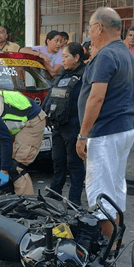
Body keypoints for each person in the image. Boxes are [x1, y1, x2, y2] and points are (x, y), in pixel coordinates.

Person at [75, 7, 134, 247]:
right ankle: (117, 239)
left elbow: (96, 98)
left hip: (106, 132)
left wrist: (83, 135)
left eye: (90, 27)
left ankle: (107, 246)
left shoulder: (106, 55)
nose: (89, 33)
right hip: (124, 129)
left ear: (99, 27)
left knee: (100, 190)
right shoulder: (125, 52)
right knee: (115, 187)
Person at [43, 42, 87, 206]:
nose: (63, 60)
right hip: (58, 124)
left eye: (66, 56)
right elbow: (51, 94)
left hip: (74, 125)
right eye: (62, 56)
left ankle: (74, 199)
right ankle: (55, 191)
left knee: (74, 163)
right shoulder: (62, 73)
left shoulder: (85, 75)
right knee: (58, 160)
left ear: (76, 57)